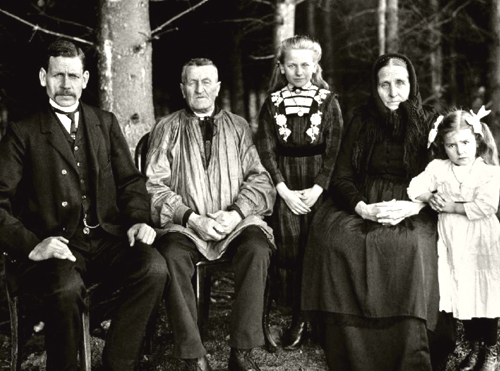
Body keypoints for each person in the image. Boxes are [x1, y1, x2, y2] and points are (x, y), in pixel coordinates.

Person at [0, 40, 168, 371]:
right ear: (43, 77)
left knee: (154, 268)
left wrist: (136, 219)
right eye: (58, 75)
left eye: (73, 76)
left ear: (86, 79)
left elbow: (130, 182)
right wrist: (33, 245)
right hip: (57, 243)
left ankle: (119, 361)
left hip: (106, 237)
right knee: (66, 288)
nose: (66, 85)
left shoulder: (104, 122)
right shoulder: (23, 131)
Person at [301, 53, 455, 370]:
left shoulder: (429, 121)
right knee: (336, 240)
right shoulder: (361, 119)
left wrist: (413, 206)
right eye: (384, 85)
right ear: (376, 87)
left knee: (410, 246)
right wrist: (363, 208)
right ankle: (349, 350)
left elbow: (443, 175)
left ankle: (412, 351)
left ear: (411, 84)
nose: (392, 91)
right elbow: (341, 176)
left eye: (400, 83)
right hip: (364, 200)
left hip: (414, 202)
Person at [145, 58, 276, 371]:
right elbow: (154, 186)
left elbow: (260, 178)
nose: (200, 88)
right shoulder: (167, 127)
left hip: (233, 223)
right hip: (187, 226)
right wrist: (192, 218)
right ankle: (192, 354)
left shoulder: (239, 126)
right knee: (171, 255)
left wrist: (235, 213)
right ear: (182, 88)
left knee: (257, 247)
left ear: (217, 87)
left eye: (207, 82)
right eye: (192, 82)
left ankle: (241, 351)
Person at [255, 35, 343, 350]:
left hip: (320, 183)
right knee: (290, 248)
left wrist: (319, 187)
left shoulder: (329, 101)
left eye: (305, 64)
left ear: (315, 65)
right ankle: (297, 315)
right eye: (291, 64)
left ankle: (319, 316)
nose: (299, 70)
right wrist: (283, 190)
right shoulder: (272, 102)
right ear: (281, 66)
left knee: (320, 247)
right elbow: (265, 149)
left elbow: (335, 149)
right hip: (286, 183)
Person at [408, 107, 500, 371]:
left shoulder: (489, 172)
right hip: (453, 242)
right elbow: (414, 187)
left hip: (482, 241)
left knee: (485, 295)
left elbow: (487, 206)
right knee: (465, 294)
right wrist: (429, 197)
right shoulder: (438, 168)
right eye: (451, 145)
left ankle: (490, 350)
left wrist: (450, 206)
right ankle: (473, 348)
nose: (460, 151)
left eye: (465, 143)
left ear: (477, 141)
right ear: (442, 146)